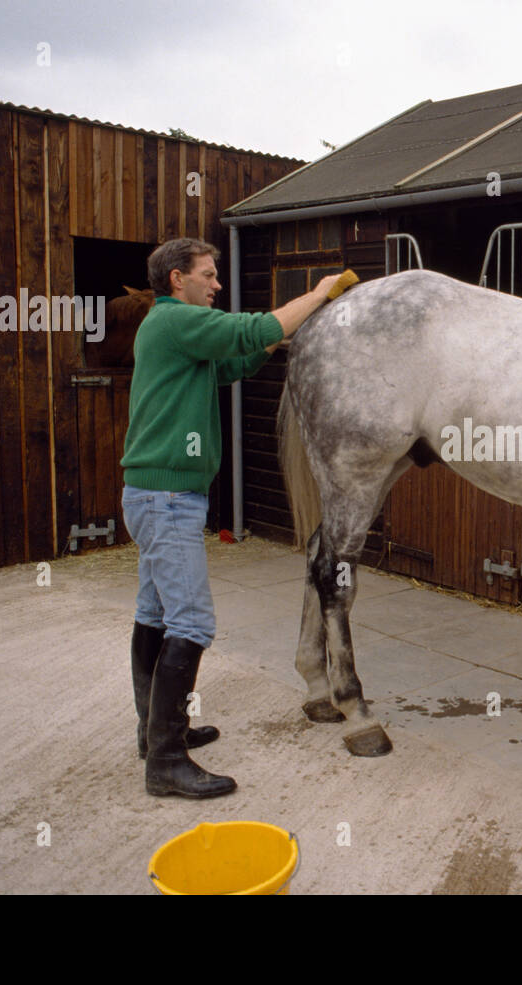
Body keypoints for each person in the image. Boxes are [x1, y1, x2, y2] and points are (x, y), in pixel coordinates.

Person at [120, 236, 342, 799]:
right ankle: (166, 762)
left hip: (154, 495)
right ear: (177, 279)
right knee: (192, 623)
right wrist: (316, 294)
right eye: (209, 274)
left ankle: (157, 736)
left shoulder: (172, 332)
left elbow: (231, 363)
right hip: (166, 501)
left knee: (154, 613)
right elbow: (249, 330)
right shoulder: (172, 321)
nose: (218, 284)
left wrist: (271, 346)